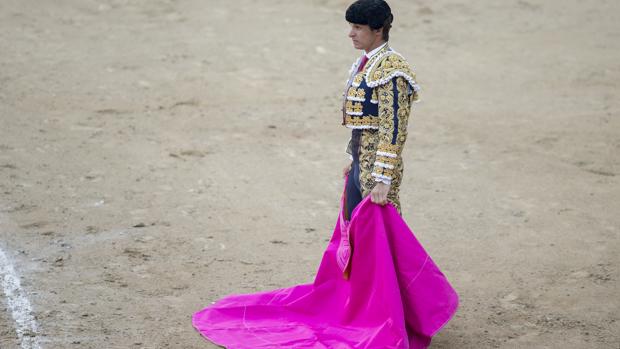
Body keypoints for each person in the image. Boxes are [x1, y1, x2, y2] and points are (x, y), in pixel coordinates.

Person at [340, 0, 419, 220]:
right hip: (362, 162)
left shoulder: (392, 70)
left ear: (377, 30)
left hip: (377, 169)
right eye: (351, 26)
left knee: (381, 237)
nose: (351, 34)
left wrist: (384, 178)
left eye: (358, 28)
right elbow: (366, 121)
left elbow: (394, 127)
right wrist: (355, 159)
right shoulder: (367, 62)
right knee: (356, 230)